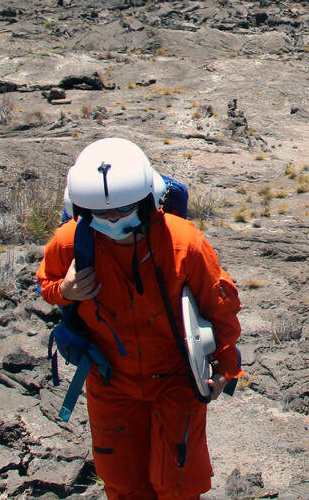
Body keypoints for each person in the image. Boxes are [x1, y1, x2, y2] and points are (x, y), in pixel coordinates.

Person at [37, 137, 243, 500]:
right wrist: (64, 292)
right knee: (123, 483)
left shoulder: (183, 244)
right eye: (102, 214)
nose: (113, 219)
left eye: (123, 210)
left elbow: (219, 305)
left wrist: (227, 365)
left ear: (147, 201)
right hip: (111, 382)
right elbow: (47, 283)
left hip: (176, 380)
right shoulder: (70, 244)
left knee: (178, 484)